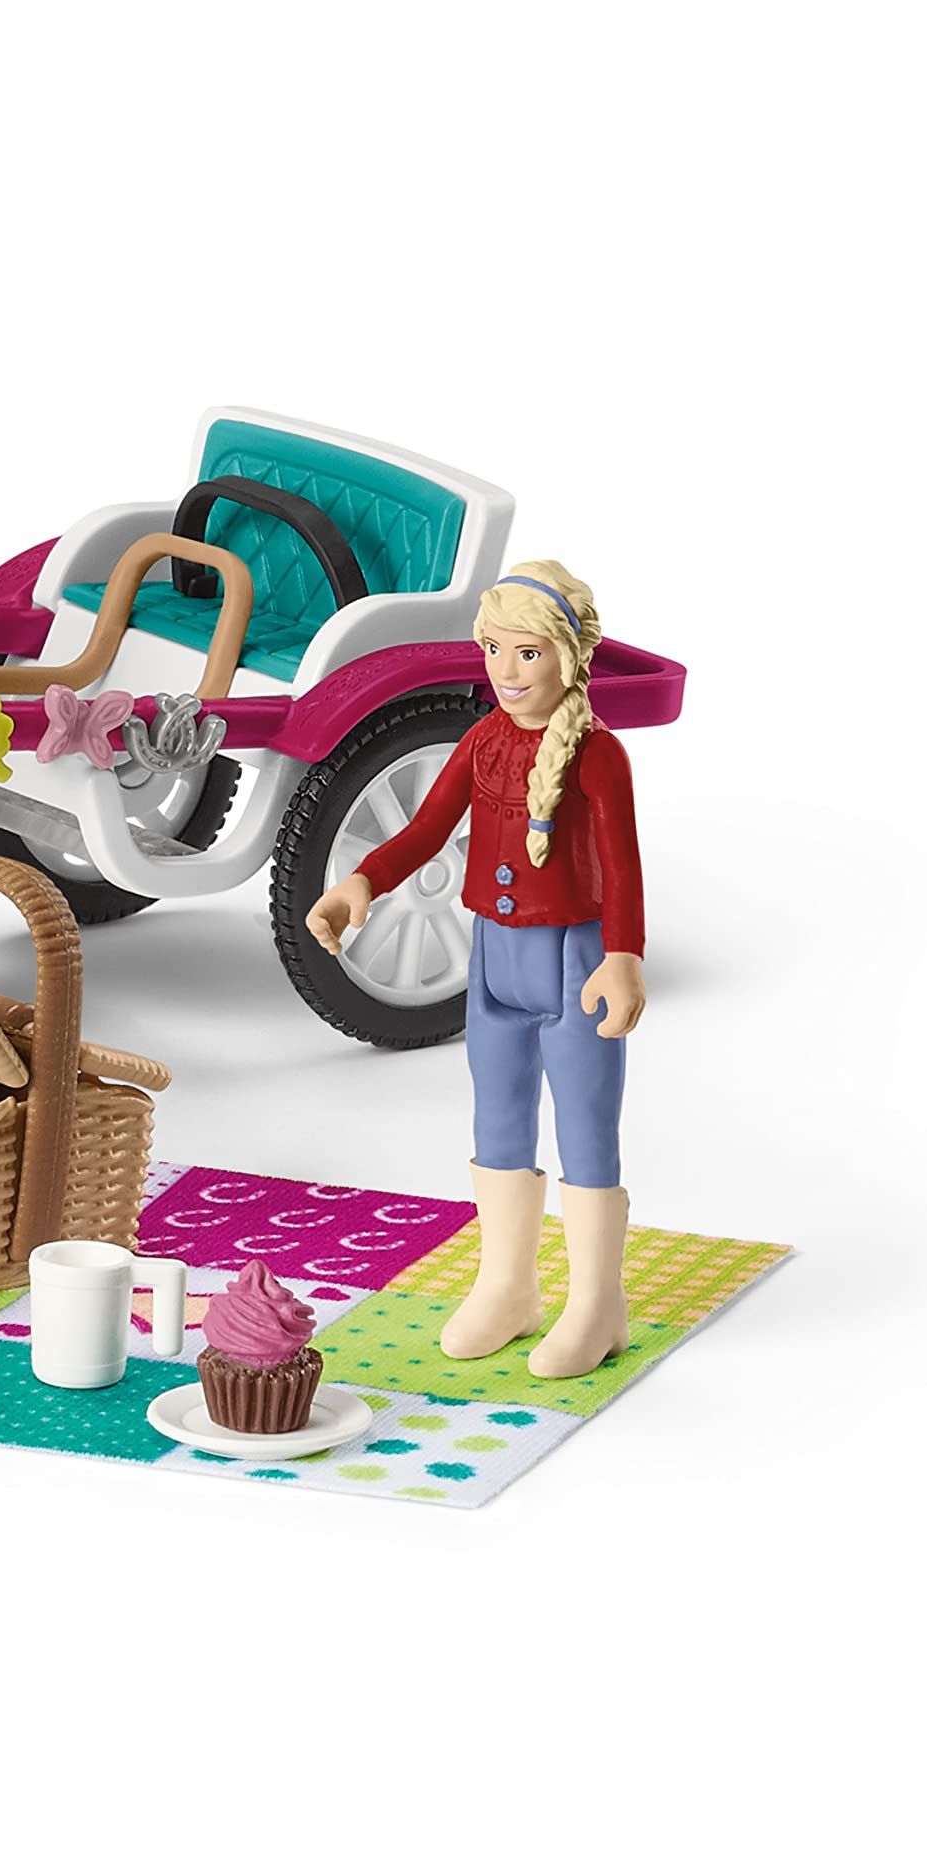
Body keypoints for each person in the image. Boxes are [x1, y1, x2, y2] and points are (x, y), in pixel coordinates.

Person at [306, 561, 644, 1378]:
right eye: (493, 649)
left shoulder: (598, 755)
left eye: (527, 653)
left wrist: (624, 957)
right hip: (492, 956)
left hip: (575, 957)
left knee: (585, 1126)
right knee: (498, 1118)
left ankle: (598, 1302)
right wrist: (363, 882)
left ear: (569, 657)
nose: (506, 670)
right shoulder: (483, 740)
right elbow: (427, 829)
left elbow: (622, 865)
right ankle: (508, 1285)